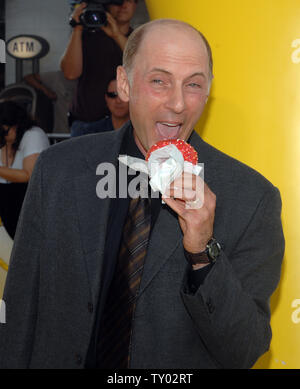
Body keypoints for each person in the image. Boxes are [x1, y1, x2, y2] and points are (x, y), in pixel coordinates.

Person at [0, 19, 284, 369]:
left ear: (208, 91)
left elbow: (245, 350)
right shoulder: (58, 170)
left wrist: (203, 254)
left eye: (193, 84)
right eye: (159, 81)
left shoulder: (252, 199)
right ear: (124, 84)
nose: (178, 103)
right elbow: (20, 306)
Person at [60, 0, 138, 137]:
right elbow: (70, 73)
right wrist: (77, 27)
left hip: (128, 125)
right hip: (87, 124)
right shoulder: (87, 36)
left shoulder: (138, 39)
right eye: (117, 1)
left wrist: (116, 35)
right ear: (106, 5)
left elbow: (141, 65)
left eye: (129, 1)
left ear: (136, 4)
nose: (123, 5)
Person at [0, 101, 50, 239]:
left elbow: (28, 175)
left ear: (17, 124)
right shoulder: (5, 139)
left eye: (4, 131)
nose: (3, 136)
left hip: (31, 209)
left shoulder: (33, 135)